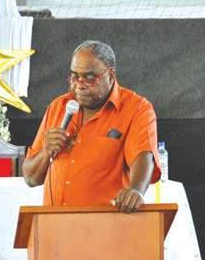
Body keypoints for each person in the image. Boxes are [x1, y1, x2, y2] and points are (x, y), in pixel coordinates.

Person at [22, 40, 161, 213]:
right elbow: (30, 179)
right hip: (55, 227)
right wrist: (45, 151)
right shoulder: (58, 107)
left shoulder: (136, 108)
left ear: (110, 75)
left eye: (89, 78)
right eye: (74, 76)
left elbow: (143, 157)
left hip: (105, 228)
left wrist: (136, 190)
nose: (79, 84)